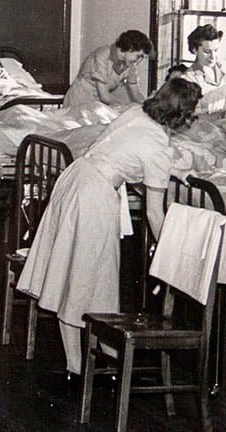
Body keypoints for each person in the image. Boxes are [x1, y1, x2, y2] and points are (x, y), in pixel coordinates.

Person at [16, 77, 201, 375]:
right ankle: (84, 364)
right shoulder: (159, 149)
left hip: (74, 178)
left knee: (74, 270)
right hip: (93, 194)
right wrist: (170, 256)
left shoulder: (135, 113)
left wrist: (166, 172)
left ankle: (88, 359)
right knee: (87, 275)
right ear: (183, 117)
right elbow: (154, 212)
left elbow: (124, 154)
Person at [62, 30, 152, 107]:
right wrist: (124, 108)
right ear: (130, 48)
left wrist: (148, 107)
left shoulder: (130, 64)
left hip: (97, 104)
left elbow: (136, 93)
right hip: (79, 99)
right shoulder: (102, 55)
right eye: (139, 56)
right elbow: (104, 96)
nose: (139, 61)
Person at [182, 24, 226, 113]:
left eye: (215, 50)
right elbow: (195, 116)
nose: (213, 57)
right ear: (194, 50)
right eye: (207, 52)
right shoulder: (188, 78)